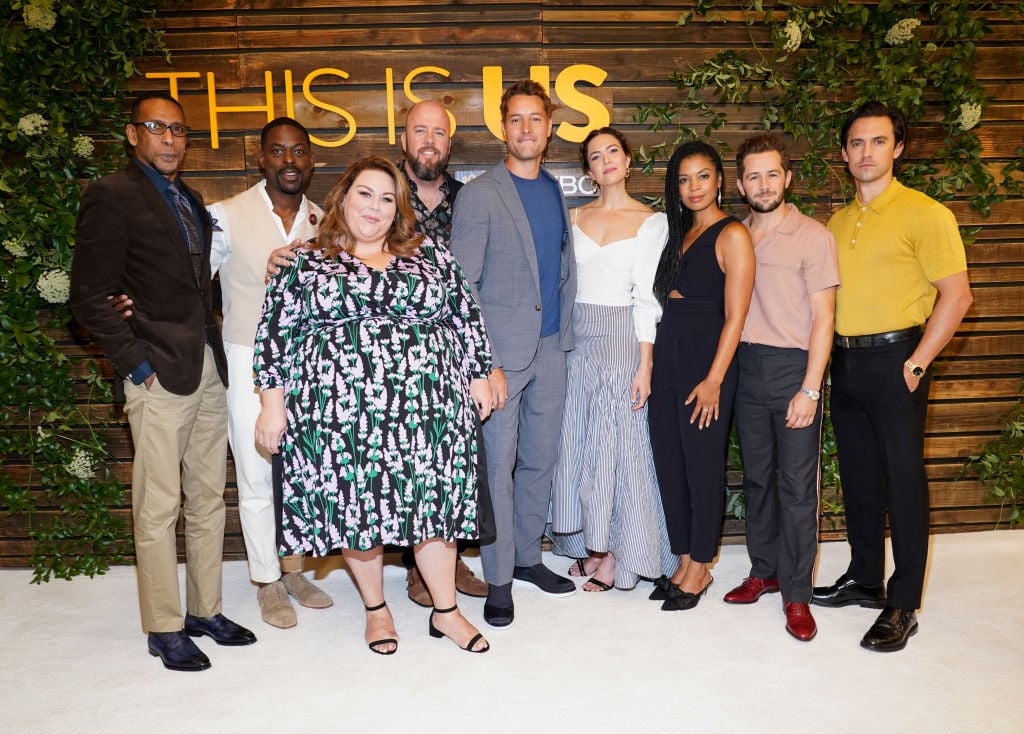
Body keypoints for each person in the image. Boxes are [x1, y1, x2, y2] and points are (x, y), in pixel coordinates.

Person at [253, 156, 493, 654]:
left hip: (431, 412)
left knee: (435, 510)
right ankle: (377, 611)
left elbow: (466, 317)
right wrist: (272, 407)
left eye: (387, 198)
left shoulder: (432, 255)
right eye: (365, 193)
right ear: (343, 198)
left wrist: (480, 372)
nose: (375, 206)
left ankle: (446, 612)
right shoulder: (303, 262)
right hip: (341, 416)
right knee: (359, 512)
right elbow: (273, 339)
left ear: (398, 208)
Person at [112, 118, 334, 628]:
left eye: (299, 151)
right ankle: (267, 581)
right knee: (256, 473)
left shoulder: (324, 220)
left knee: (300, 476)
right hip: (246, 359)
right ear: (261, 159)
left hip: (312, 368)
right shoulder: (225, 216)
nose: (289, 160)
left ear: (311, 160)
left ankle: (294, 568)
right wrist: (132, 307)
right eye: (278, 151)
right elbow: (186, 282)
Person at [70, 91, 256, 672]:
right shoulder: (112, 196)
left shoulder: (189, 199)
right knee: (158, 506)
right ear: (133, 135)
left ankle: (204, 610)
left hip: (204, 366)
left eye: (179, 130)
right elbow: (88, 295)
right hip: (157, 372)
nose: (171, 139)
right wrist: (134, 362)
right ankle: (163, 625)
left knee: (206, 499)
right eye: (158, 127)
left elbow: (197, 286)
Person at [812, 102, 972, 652]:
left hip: (898, 358)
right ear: (844, 153)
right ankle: (864, 577)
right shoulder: (837, 222)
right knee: (858, 476)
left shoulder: (927, 214)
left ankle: (902, 603)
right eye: (856, 143)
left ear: (898, 148)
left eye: (878, 142)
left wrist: (918, 361)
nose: (866, 152)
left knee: (903, 483)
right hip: (846, 360)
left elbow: (957, 296)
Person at [449, 79, 578, 629]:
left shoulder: (554, 189)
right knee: (497, 468)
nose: (526, 129)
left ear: (549, 129)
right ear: (504, 128)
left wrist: (565, 338)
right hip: (500, 360)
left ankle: (528, 557)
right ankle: (499, 579)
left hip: (551, 349)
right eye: (516, 119)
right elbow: (461, 286)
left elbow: (562, 270)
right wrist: (483, 364)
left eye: (536, 119)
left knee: (539, 461)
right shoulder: (480, 194)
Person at [723, 134, 839, 641]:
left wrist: (810, 389)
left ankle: (797, 594)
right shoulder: (737, 234)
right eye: (753, 175)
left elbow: (824, 319)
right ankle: (764, 571)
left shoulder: (813, 235)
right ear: (741, 183)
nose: (763, 184)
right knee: (757, 482)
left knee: (796, 488)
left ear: (787, 178)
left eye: (772, 174)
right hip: (746, 368)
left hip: (795, 369)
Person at [548, 126, 673, 592]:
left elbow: (647, 298)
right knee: (578, 441)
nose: (606, 161)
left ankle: (622, 553)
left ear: (627, 158)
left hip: (624, 336)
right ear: (587, 170)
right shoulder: (574, 215)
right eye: (596, 156)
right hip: (578, 336)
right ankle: (592, 544)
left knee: (617, 447)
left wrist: (646, 363)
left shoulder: (651, 221)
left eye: (613, 152)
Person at [647, 140, 755, 612]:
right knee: (670, 463)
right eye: (684, 179)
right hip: (669, 354)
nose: (694, 187)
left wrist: (714, 380)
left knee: (702, 467)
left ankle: (703, 566)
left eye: (703, 176)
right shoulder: (678, 233)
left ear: (719, 180)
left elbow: (736, 316)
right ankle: (684, 558)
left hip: (706, 363)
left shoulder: (732, 234)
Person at [397, 99, 490, 604]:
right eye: (420, 130)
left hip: (459, 349)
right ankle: (417, 569)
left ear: (449, 144)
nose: (429, 140)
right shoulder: (382, 192)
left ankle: (450, 564)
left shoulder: (470, 198)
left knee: (457, 460)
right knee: (414, 458)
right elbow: (336, 241)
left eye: (438, 132)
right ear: (404, 139)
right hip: (397, 356)